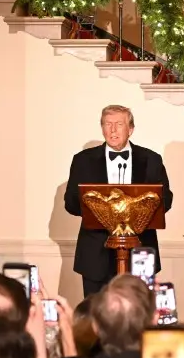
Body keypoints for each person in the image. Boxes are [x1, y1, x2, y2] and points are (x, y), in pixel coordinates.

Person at [64, 105, 173, 297]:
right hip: (95, 255)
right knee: (96, 316)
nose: (113, 130)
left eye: (119, 124)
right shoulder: (83, 160)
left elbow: (166, 201)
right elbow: (71, 203)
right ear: (102, 128)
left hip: (140, 253)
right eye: (108, 124)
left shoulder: (151, 159)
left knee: (139, 314)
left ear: (130, 129)